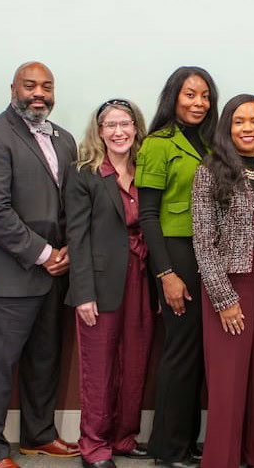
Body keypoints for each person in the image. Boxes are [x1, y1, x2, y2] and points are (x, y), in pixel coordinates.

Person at [0, 61, 79, 468]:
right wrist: (45, 254)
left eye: (47, 86)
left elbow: (71, 202)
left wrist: (68, 250)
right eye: (30, 85)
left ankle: (39, 435)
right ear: (13, 88)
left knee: (44, 359)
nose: (39, 93)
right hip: (7, 276)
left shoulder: (65, 139)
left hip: (55, 274)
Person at [191, 94, 254, 468]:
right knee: (228, 381)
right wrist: (224, 299)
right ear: (227, 128)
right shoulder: (210, 171)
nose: (247, 128)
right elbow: (203, 241)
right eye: (239, 121)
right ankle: (221, 460)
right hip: (230, 281)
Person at [135, 66, 219, 468]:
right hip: (176, 252)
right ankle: (167, 449)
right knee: (181, 349)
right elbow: (147, 215)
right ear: (174, 97)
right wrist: (166, 274)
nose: (198, 103)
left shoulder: (213, 141)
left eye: (204, 95)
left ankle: (185, 441)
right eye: (190, 94)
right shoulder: (157, 144)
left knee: (199, 351)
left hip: (208, 252)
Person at [64, 99, 155, 468]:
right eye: (111, 125)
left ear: (136, 128)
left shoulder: (145, 169)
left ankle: (123, 437)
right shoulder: (84, 173)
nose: (119, 131)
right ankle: (94, 445)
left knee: (135, 363)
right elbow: (77, 236)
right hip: (100, 285)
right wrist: (83, 293)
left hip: (142, 279)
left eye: (125, 124)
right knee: (99, 368)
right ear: (99, 131)